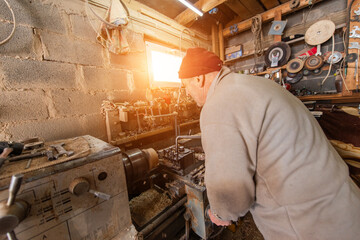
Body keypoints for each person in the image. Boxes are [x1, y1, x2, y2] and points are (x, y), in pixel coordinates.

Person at [178, 47, 360, 240]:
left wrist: (221, 213)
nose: (187, 93)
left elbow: (229, 187)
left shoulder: (218, 103)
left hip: (308, 224)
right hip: (341, 203)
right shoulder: (257, 85)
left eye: (186, 86)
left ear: (199, 79)